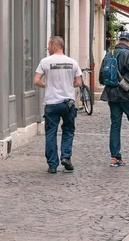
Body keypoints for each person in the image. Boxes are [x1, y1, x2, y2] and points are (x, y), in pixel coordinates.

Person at [34, 36, 82, 174]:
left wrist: (47, 85)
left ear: (53, 45)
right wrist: (67, 84)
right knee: (68, 131)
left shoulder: (45, 62)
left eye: (49, 45)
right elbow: (78, 83)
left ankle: (53, 164)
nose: (48, 48)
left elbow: (36, 81)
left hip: (52, 103)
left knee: (51, 133)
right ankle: (66, 157)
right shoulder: (72, 62)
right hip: (68, 103)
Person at [99, 32, 129, 167]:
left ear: (119, 40)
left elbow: (101, 77)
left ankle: (115, 157)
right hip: (127, 94)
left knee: (115, 125)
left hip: (111, 94)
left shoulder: (109, 54)